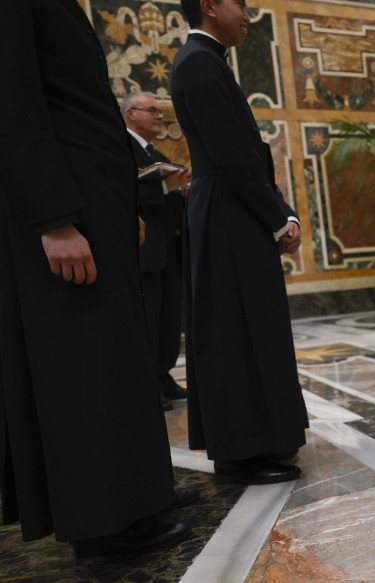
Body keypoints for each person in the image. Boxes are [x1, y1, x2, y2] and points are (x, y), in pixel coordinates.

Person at [0, 0, 192, 555]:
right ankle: (105, 521)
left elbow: (80, 104)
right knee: (86, 364)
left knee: (119, 356)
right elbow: (13, 104)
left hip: (95, 203)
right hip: (67, 210)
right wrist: (54, 218)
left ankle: (140, 493)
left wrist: (122, 201)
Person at [171, 0, 308, 484]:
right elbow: (232, 155)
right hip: (227, 211)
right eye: (240, 4)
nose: (248, 15)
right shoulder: (197, 62)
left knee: (253, 326)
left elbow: (244, 155)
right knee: (232, 331)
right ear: (209, 5)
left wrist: (279, 210)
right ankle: (240, 454)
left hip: (233, 207)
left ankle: (262, 440)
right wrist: (277, 218)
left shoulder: (206, 61)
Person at [123, 92, 192, 411]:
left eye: (160, 111)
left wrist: (180, 190)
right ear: (130, 114)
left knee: (167, 320)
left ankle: (163, 375)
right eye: (151, 111)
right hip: (143, 250)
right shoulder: (122, 149)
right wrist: (167, 185)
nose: (159, 116)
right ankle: (148, 383)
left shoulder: (156, 153)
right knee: (149, 320)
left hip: (168, 250)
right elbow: (125, 191)